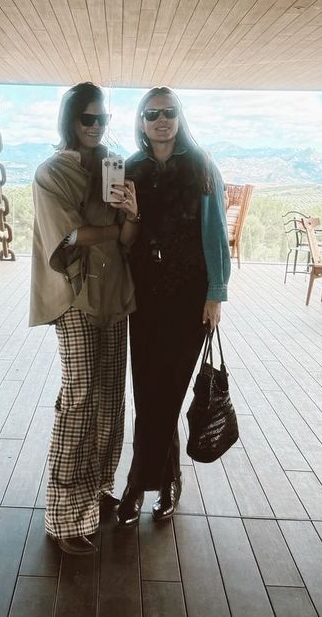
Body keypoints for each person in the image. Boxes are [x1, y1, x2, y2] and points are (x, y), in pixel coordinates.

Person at [30, 82, 136, 556]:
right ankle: (63, 514)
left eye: (102, 119)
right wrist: (114, 227)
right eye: (87, 119)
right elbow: (69, 235)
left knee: (112, 397)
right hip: (74, 295)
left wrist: (130, 214)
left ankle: (97, 491)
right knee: (79, 396)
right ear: (70, 120)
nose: (96, 127)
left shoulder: (115, 167)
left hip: (114, 293)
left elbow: (127, 240)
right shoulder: (52, 173)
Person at [116, 87, 230, 526]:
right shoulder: (132, 168)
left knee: (170, 391)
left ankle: (136, 484)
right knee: (148, 392)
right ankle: (167, 481)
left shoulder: (200, 165)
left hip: (189, 295)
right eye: (152, 113)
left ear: (180, 118)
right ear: (141, 121)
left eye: (169, 112)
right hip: (144, 293)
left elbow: (216, 230)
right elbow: (123, 232)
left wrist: (216, 291)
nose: (161, 120)